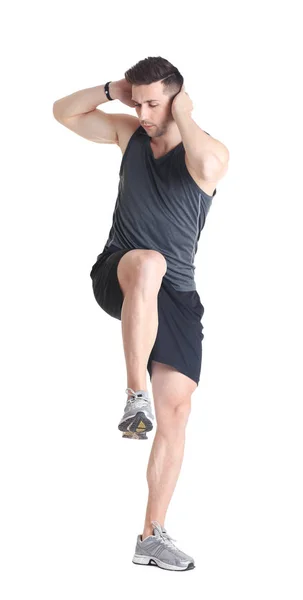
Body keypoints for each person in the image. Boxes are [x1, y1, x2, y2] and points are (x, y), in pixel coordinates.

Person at [53, 56, 229, 571]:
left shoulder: (207, 152)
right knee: (149, 262)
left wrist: (185, 114)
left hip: (176, 295)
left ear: (177, 99)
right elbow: (62, 112)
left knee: (177, 412)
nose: (144, 112)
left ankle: (151, 535)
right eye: (140, 101)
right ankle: (134, 396)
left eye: (155, 103)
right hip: (121, 271)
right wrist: (114, 88)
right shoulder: (128, 134)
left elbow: (208, 165)